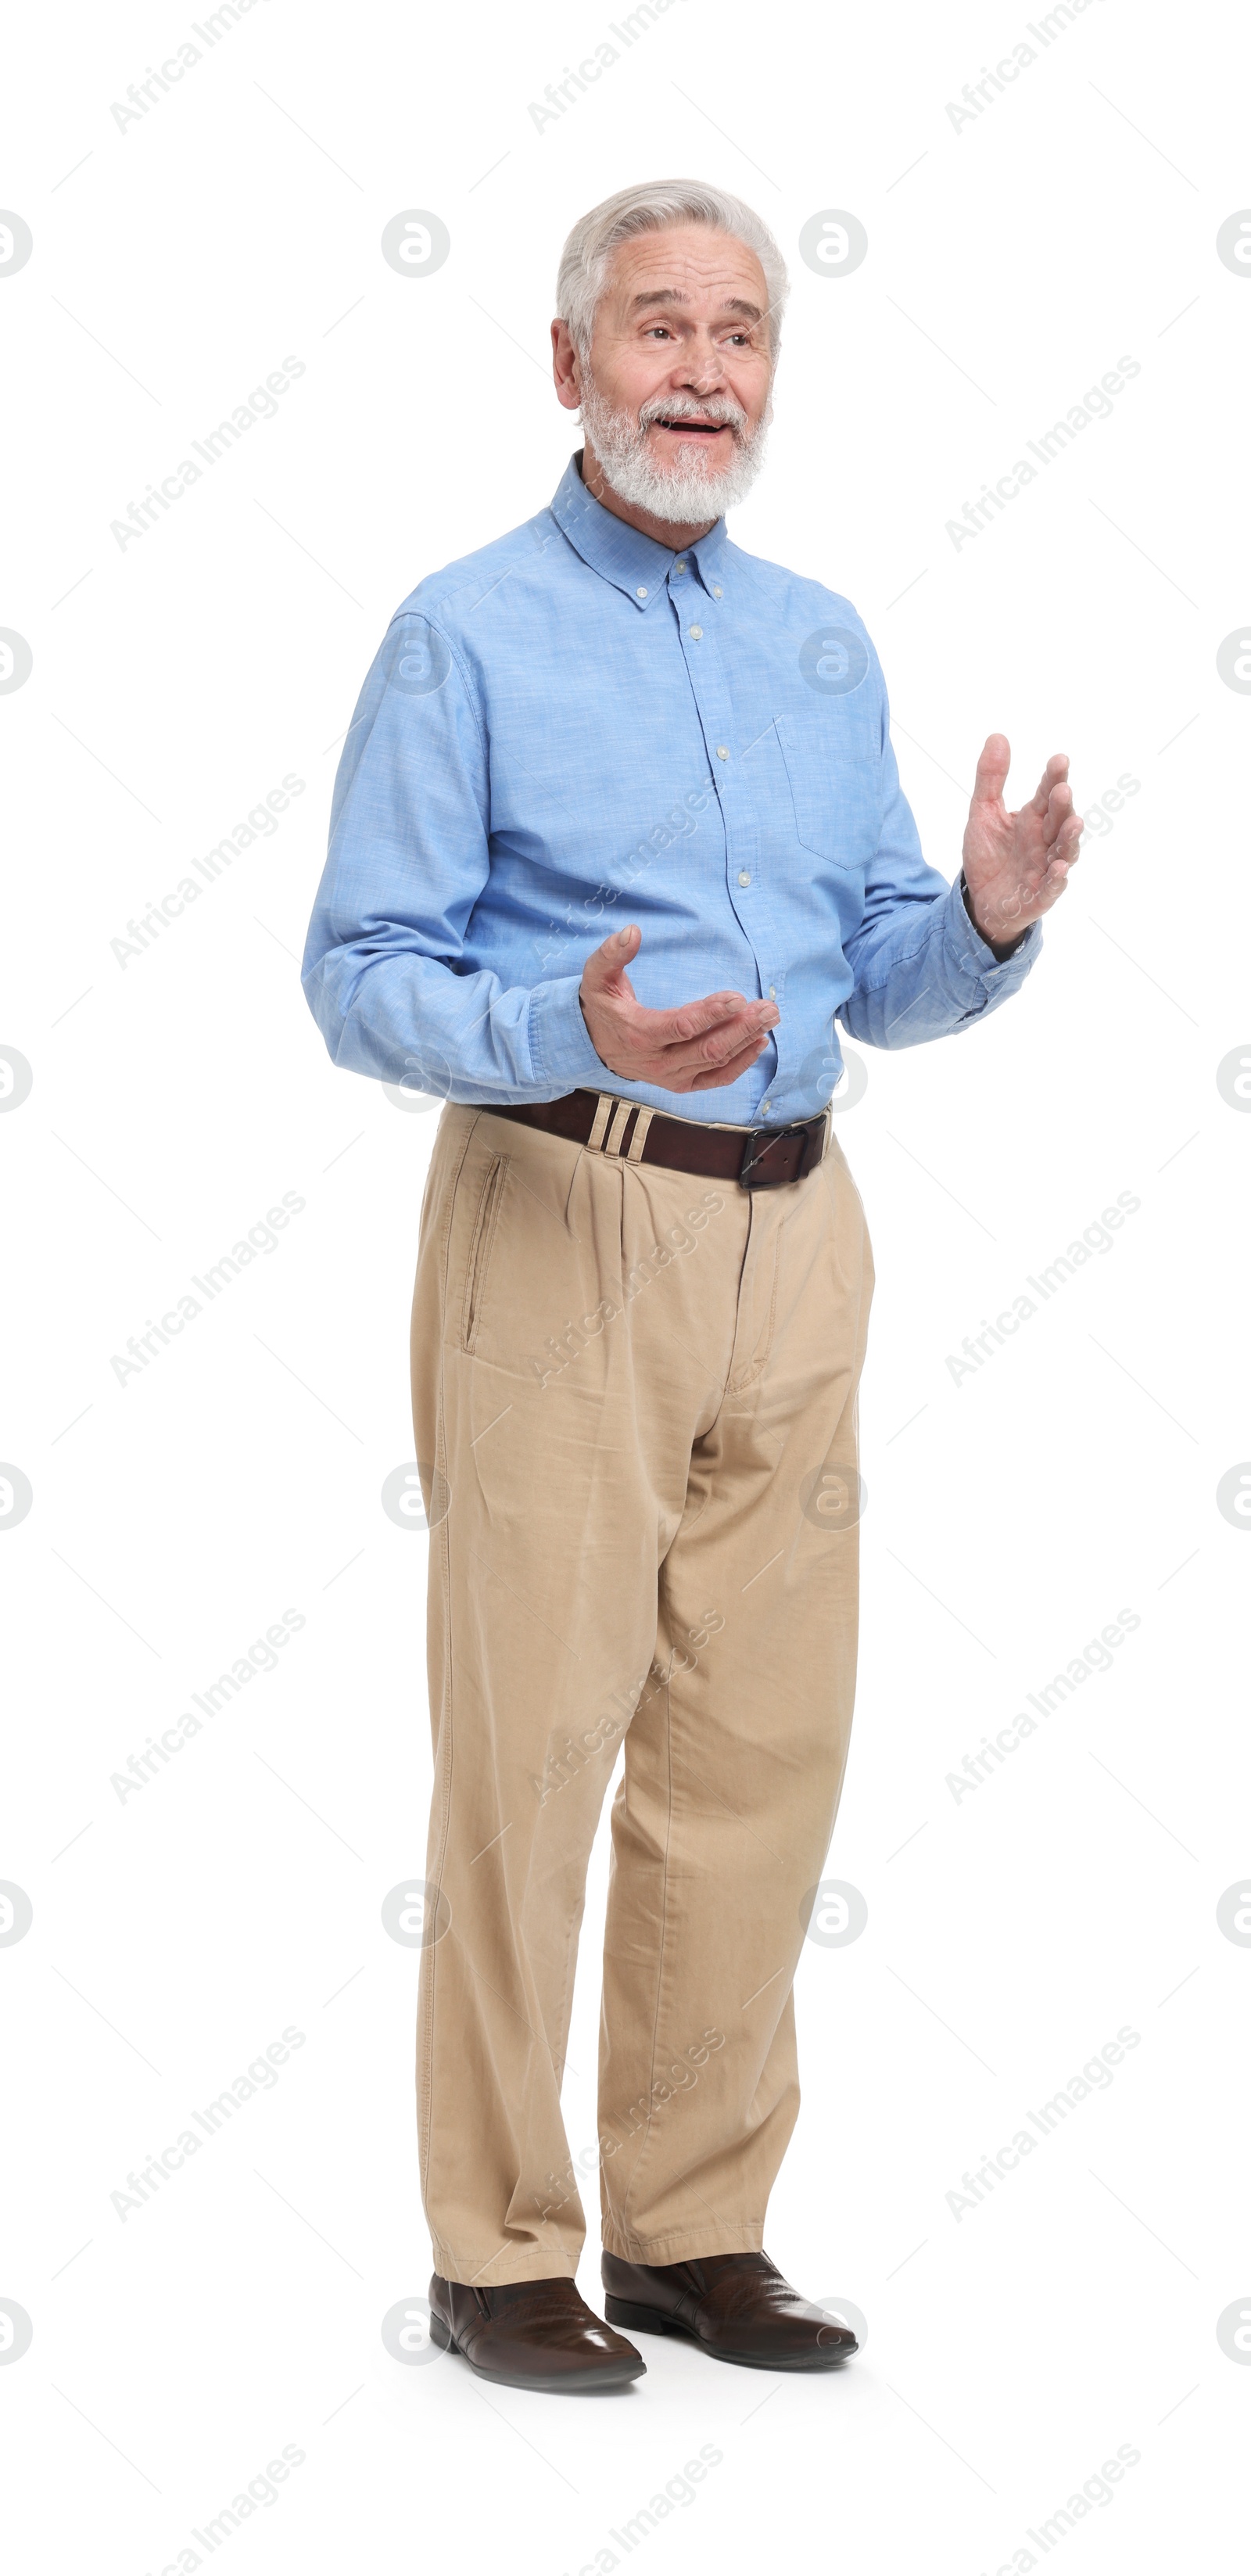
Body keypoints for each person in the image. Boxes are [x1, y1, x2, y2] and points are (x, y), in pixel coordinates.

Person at [301, 178, 1083, 2393]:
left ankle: (691, 2226)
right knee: (534, 1750)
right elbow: (358, 977)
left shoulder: (822, 639)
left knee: (761, 1749)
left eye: (740, 332)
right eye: (658, 329)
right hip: (568, 1217)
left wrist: (992, 918)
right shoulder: (463, 632)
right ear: (568, 366)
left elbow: (888, 972)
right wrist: (573, 1029)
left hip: (798, 1232)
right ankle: (497, 2248)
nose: (705, 371)